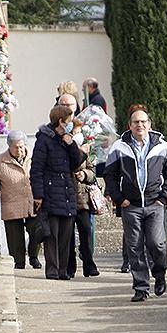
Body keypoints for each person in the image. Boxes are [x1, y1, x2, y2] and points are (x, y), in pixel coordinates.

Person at [103, 104, 167, 302]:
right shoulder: (119, 147)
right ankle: (141, 287)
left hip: (155, 203)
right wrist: (119, 198)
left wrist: (165, 197)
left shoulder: (161, 146)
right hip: (131, 205)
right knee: (134, 248)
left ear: (149, 124)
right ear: (129, 125)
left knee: (157, 243)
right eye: (136, 122)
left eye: (143, 122)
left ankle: (159, 273)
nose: (140, 125)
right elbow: (109, 175)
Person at [31, 105, 88, 280]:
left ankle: (63, 270)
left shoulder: (67, 139)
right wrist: (38, 195)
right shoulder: (44, 140)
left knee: (66, 235)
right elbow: (36, 169)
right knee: (52, 235)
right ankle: (52, 270)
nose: (71, 124)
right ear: (60, 121)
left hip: (67, 191)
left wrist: (71, 146)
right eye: (69, 121)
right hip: (50, 192)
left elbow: (76, 163)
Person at [0, 131, 43, 270]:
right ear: (9, 147)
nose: (19, 150)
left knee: (37, 230)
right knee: (14, 236)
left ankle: (34, 257)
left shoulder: (33, 158)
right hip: (11, 203)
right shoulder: (0, 160)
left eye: (21, 147)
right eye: (16, 147)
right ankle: (19, 261)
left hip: (32, 201)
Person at [57, 94, 100, 278]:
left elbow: (92, 169)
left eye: (70, 104)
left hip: (82, 194)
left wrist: (85, 174)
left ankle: (89, 264)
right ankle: (69, 266)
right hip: (64, 192)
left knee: (86, 232)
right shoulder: (55, 132)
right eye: (64, 104)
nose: (67, 107)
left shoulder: (86, 134)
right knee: (66, 235)